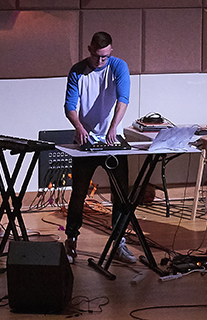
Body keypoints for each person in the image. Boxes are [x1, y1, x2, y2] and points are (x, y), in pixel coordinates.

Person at [63, 31, 136, 264]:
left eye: (105, 56)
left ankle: (119, 243)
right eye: (97, 56)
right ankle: (71, 239)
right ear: (89, 49)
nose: (100, 61)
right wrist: (78, 126)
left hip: (112, 140)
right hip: (86, 140)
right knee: (79, 193)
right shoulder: (77, 70)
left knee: (121, 194)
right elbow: (70, 105)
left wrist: (113, 128)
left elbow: (123, 99)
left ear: (111, 51)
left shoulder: (118, 66)